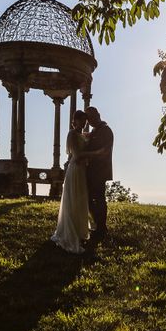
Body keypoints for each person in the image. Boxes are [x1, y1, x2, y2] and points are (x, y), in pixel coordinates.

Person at [51, 110, 89, 254]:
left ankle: (79, 231)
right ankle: (70, 232)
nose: (84, 123)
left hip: (82, 171)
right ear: (75, 121)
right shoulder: (72, 134)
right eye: (81, 120)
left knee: (80, 199)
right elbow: (77, 155)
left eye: (85, 121)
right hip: (76, 168)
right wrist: (95, 153)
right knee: (73, 199)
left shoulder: (81, 135)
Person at [82, 106, 114, 241]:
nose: (89, 121)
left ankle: (101, 227)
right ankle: (98, 224)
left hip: (100, 170)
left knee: (99, 199)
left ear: (98, 115)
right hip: (92, 170)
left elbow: (103, 151)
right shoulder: (96, 130)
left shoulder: (105, 130)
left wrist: (85, 154)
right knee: (89, 199)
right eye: (88, 119)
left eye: (91, 118)